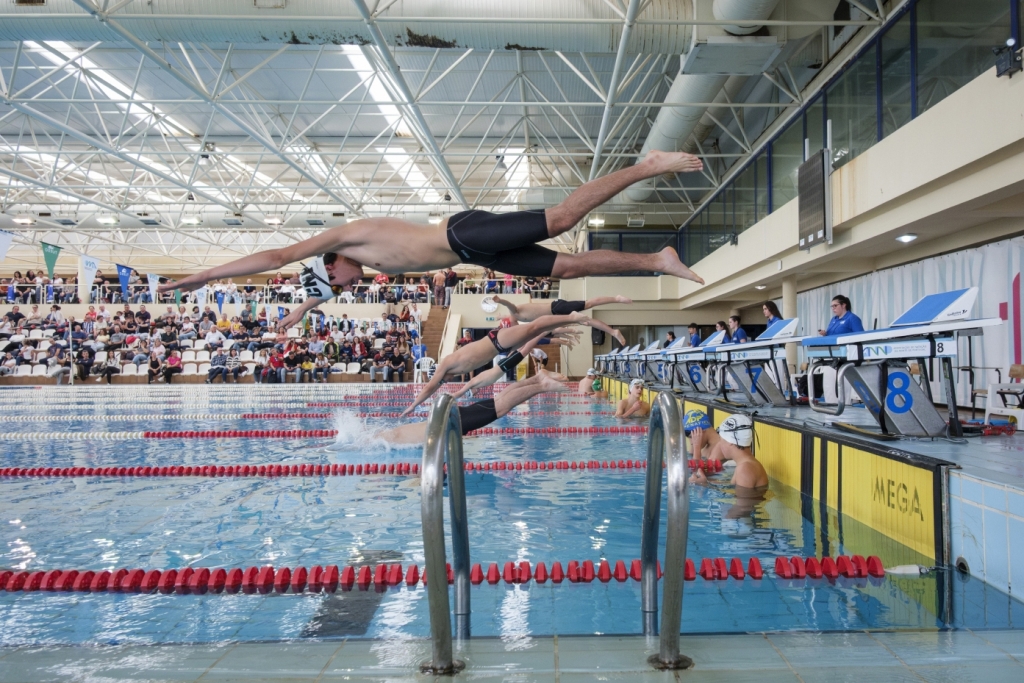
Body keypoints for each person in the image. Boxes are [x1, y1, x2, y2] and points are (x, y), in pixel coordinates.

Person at [159, 151, 706, 322]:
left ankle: (645, 166)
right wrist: (303, 309)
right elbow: (321, 289)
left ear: (330, 263)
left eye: (338, 285)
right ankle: (657, 261)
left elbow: (278, 255)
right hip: (476, 252)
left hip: (464, 231)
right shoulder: (352, 265)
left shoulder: (344, 238)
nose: (350, 287)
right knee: (570, 268)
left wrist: (202, 277)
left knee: (563, 219)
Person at [400, 311, 593, 417]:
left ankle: (571, 317)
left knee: (534, 327)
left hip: (496, 340)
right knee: (534, 335)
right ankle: (562, 330)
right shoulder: (453, 370)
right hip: (500, 347)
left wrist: (413, 406)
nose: (446, 381)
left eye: (443, 381)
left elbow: (429, 388)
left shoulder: (445, 365)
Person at [375, 372, 568, 446]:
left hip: (450, 424)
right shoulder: (392, 435)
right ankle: (537, 379)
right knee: (498, 401)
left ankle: (542, 386)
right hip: (448, 420)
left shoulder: (389, 441)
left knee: (499, 407)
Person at [490, 294, 629, 345]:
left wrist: (501, 300)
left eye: (511, 326)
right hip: (556, 315)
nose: (514, 327)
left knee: (588, 304)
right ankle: (612, 331)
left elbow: (509, 305)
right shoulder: (517, 319)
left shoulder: (516, 312)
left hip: (556, 307)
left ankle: (616, 299)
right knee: (585, 321)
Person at [688, 414, 768, 492]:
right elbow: (732, 490)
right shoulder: (746, 465)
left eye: (721, 440)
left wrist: (704, 485)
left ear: (730, 441)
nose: (720, 444)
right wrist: (706, 483)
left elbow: (743, 505)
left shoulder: (745, 468)